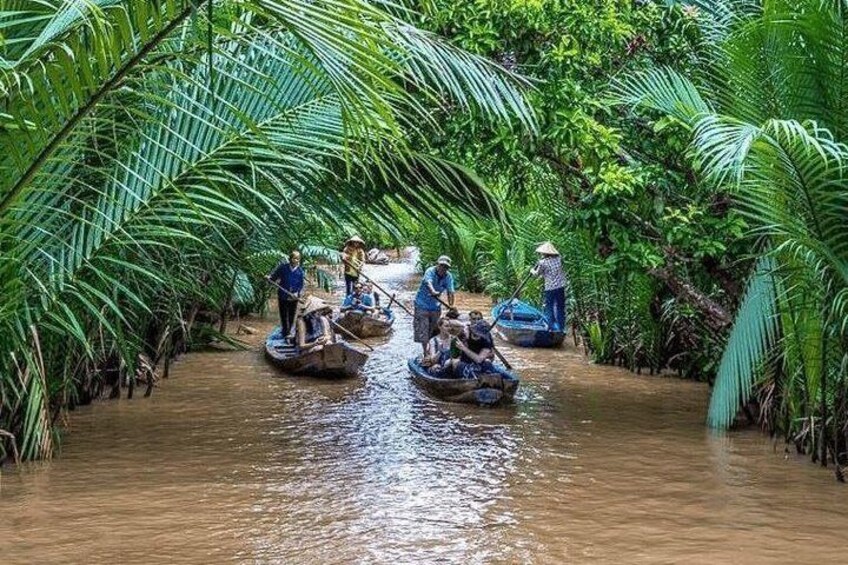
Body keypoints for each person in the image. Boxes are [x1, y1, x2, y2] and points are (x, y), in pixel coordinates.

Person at [413, 255, 455, 354]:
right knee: (424, 330)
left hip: (435, 306)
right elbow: (428, 282)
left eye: (446, 267)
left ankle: (433, 350)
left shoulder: (448, 276)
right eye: (441, 266)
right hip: (421, 305)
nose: (443, 268)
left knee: (435, 330)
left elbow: (451, 292)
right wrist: (433, 291)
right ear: (438, 264)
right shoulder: (430, 271)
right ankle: (425, 353)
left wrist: (451, 306)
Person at [268, 250, 304, 339]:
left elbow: (301, 285)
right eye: (295, 258)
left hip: (294, 297)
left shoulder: (300, 272)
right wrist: (269, 278)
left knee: (291, 315)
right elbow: (274, 278)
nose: (296, 261)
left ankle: (288, 331)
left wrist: (297, 293)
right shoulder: (283, 268)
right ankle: (286, 332)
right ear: (290, 259)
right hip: (283, 295)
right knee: (284, 315)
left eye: (298, 259)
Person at [530, 241, 566, 331]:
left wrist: (532, 271)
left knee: (549, 307)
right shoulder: (559, 259)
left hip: (550, 288)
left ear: (544, 253)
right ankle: (561, 327)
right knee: (560, 307)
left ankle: (551, 327)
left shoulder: (542, 263)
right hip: (560, 286)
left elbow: (537, 274)